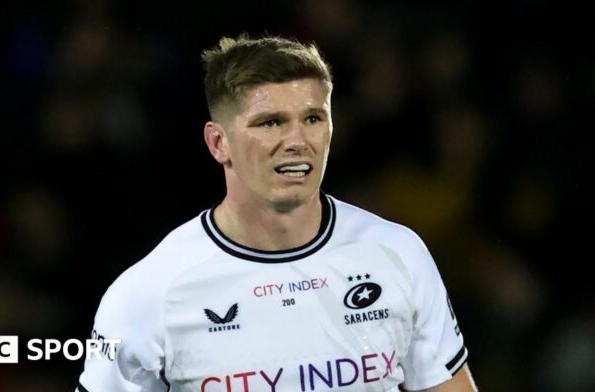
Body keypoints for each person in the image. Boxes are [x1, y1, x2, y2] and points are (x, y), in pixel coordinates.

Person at [76, 34, 478, 392]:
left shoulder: (398, 254)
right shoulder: (150, 292)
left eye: (313, 119)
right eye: (271, 123)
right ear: (219, 143)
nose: (297, 141)